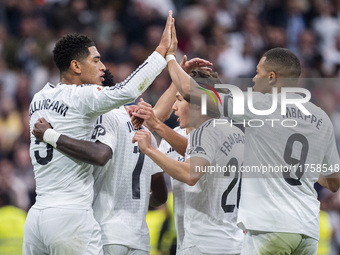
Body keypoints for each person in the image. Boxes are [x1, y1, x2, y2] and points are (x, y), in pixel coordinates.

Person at [24, 10, 174, 255]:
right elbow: (126, 91)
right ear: (76, 66)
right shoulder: (83, 96)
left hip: (37, 216)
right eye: (95, 60)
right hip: (71, 217)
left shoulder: (38, 99)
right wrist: (161, 53)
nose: (102, 66)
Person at [169, 47, 340, 254]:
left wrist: (170, 58)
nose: (253, 79)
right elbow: (333, 182)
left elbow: (191, 93)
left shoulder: (261, 105)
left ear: (271, 77)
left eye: (258, 73)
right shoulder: (321, 118)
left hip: (268, 227)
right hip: (308, 230)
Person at [132, 69, 245, 255]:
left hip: (204, 242)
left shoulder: (208, 132)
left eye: (180, 99)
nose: (175, 107)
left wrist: (152, 141)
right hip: (229, 242)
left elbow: (190, 171)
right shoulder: (233, 132)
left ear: (199, 103)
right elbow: (190, 151)